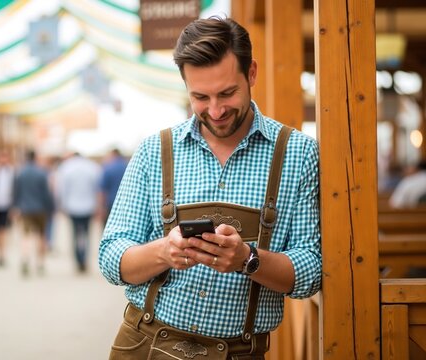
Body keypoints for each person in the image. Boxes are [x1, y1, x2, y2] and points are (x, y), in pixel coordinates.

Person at [98, 17, 321, 359]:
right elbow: (111, 258)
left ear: (252, 74)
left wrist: (247, 259)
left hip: (240, 351)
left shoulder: (298, 154)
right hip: (145, 342)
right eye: (200, 97)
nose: (215, 111)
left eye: (227, 93)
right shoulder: (154, 150)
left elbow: (310, 271)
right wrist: (165, 252)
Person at [56, 152, 101, 273]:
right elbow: (97, 188)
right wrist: (98, 206)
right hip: (88, 206)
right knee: (86, 234)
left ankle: (78, 259)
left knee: (75, 234)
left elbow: (62, 189)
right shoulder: (92, 167)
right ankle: (84, 259)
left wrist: (62, 205)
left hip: (72, 206)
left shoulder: (66, 167)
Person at [13, 150, 54, 276]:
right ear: (35, 158)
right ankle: (40, 264)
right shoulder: (42, 173)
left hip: (25, 209)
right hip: (41, 209)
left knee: (26, 236)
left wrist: (15, 207)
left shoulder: (20, 173)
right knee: (41, 236)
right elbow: (47, 194)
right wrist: (51, 208)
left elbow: (16, 192)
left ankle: (25, 259)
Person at [0, 149, 15, 267]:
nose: (3, 160)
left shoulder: (12, 172)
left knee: (3, 230)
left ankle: (2, 254)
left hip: (6, 204)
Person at [99, 148, 128, 226]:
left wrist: (101, 208)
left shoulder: (108, 168)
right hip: (127, 204)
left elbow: (103, 191)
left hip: (111, 204)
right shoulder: (128, 166)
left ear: (113, 155)